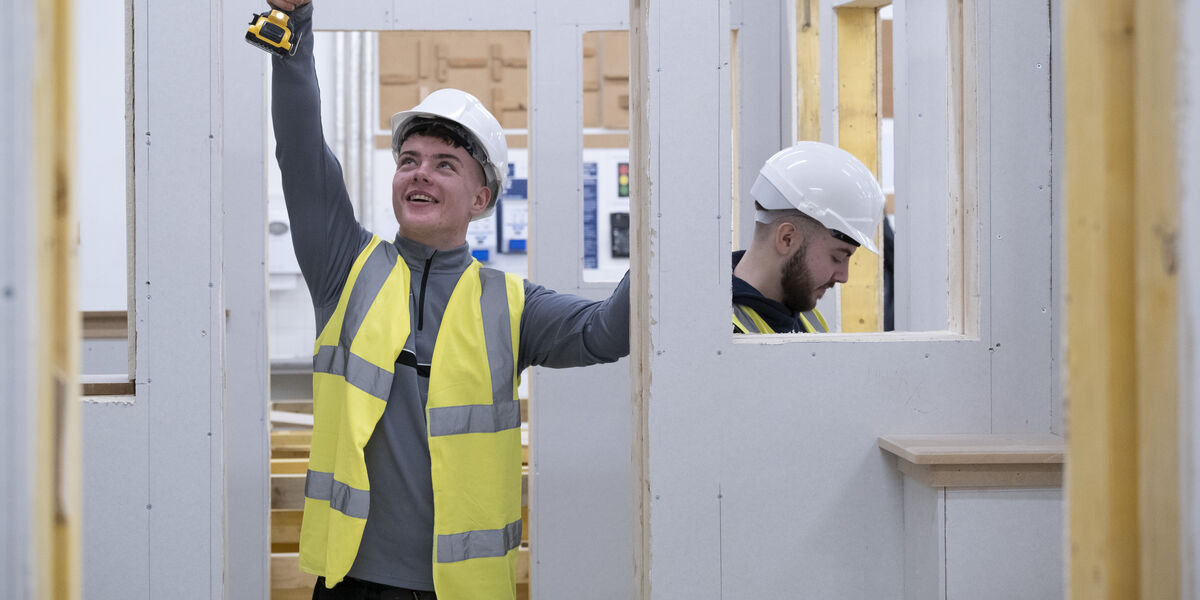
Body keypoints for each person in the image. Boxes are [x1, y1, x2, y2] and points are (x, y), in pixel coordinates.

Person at [266, 2, 630, 598]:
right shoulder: (345, 270)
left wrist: (678, 242)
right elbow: (302, 153)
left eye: (444, 165)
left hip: (463, 590)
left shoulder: (513, 305)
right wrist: (293, 24)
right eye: (408, 161)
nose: (419, 175)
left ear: (481, 197)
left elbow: (607, 331)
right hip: (352, 582)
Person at [732, 141, 885, 334]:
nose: (843, 277)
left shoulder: (807, 319)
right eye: (836, 257)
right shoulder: (720, 332)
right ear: (787, 238)